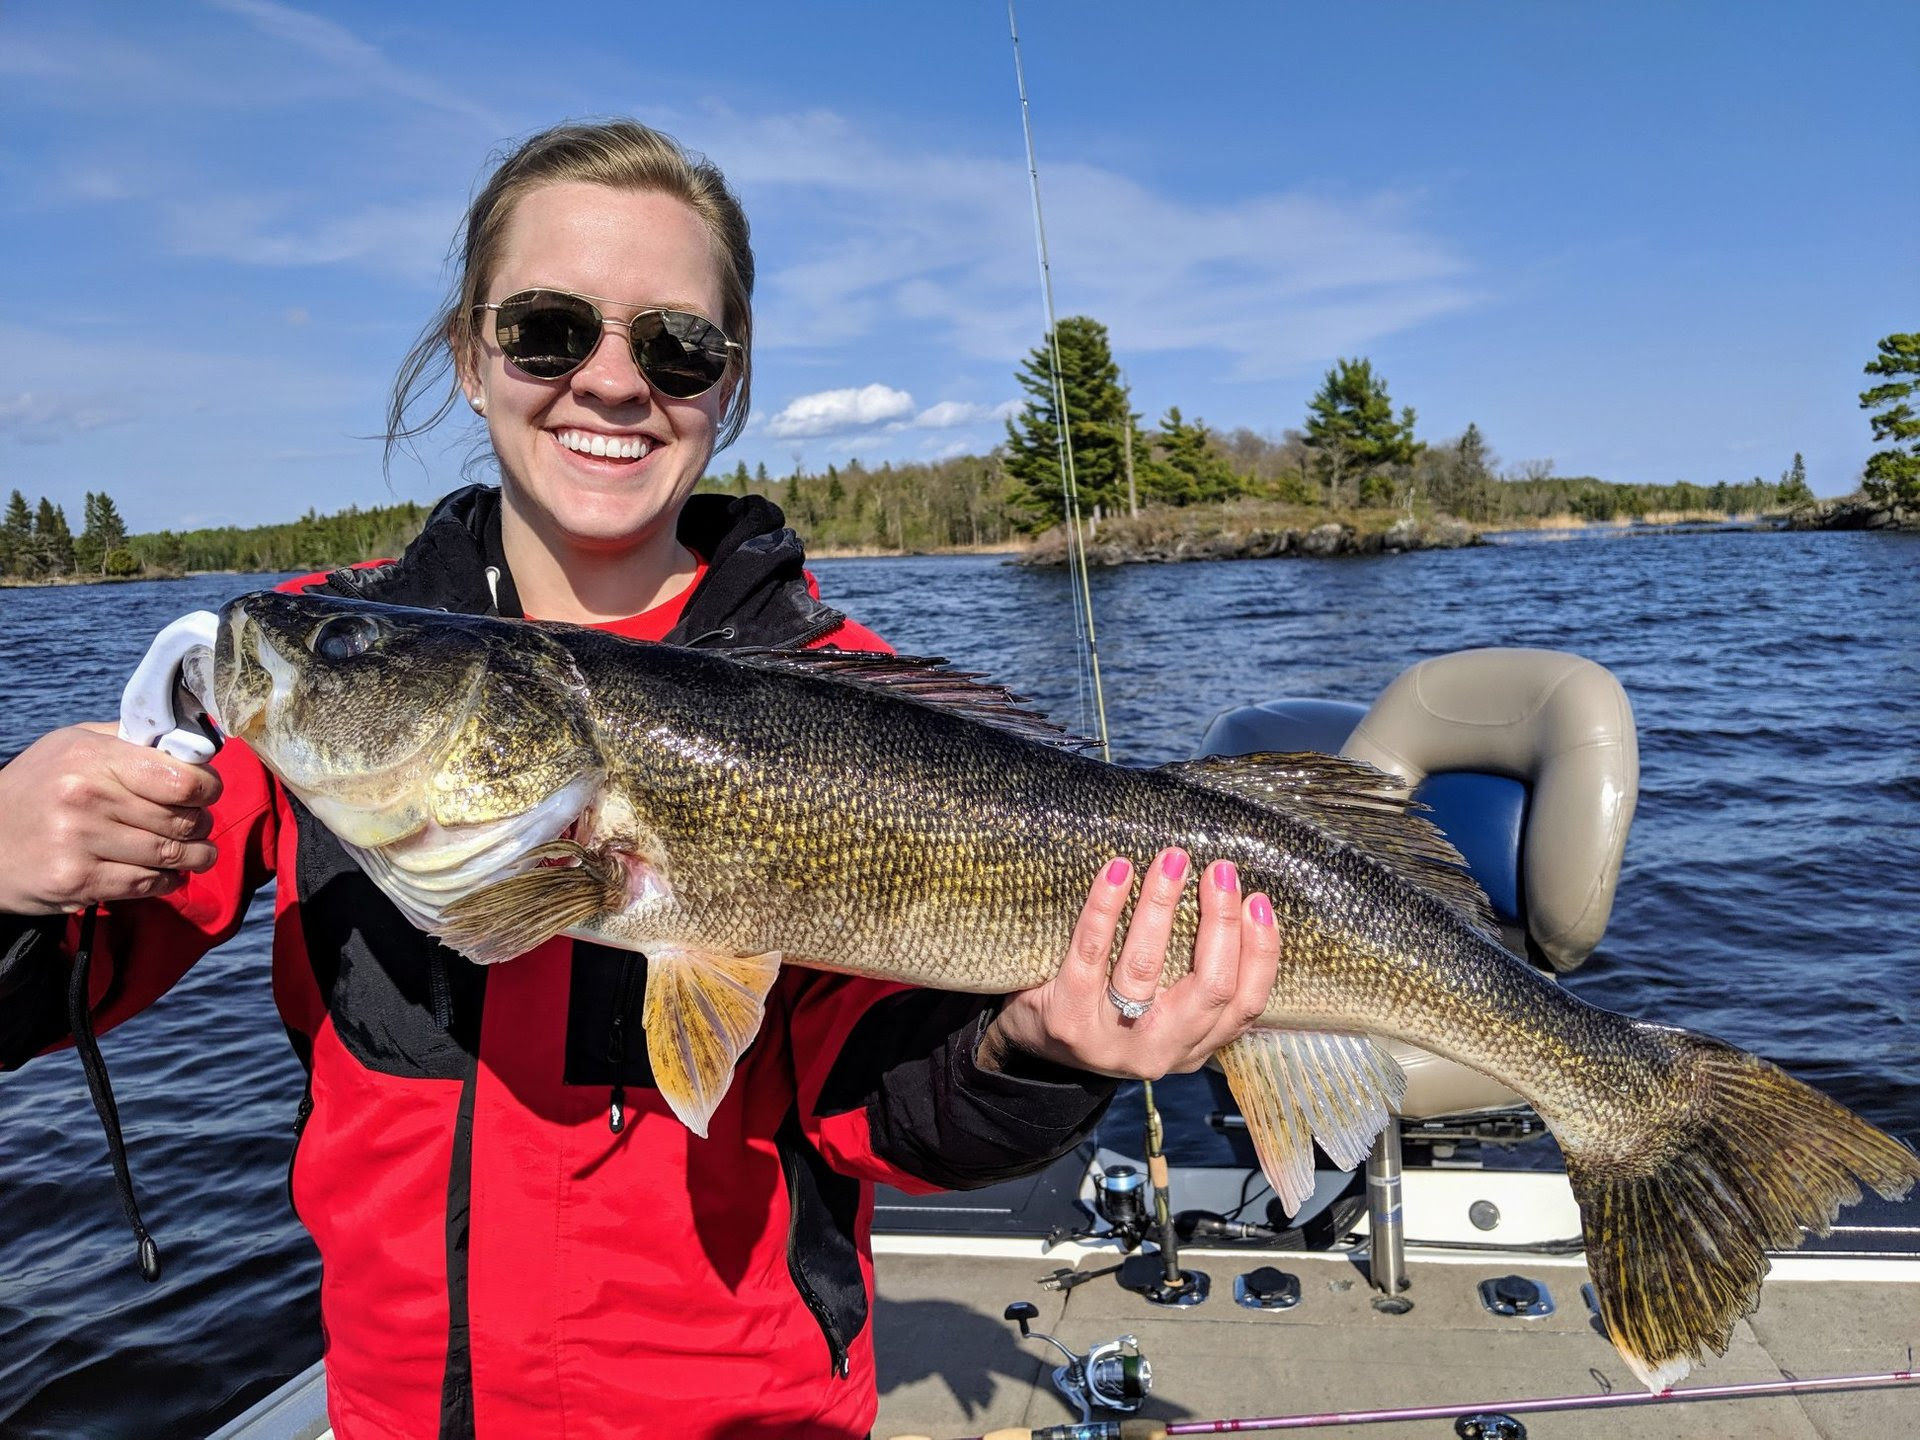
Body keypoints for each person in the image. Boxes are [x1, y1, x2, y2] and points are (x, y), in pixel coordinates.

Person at [0, 120, 1279, 1439]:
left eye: (677, 347)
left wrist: (1039, 1052)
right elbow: (54, 991)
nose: (613, 384)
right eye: (550, 331)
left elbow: (885, 1112)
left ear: (730, 383)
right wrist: (11, 869)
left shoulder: (846, 694)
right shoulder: (337, 679)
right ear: (469, 355)